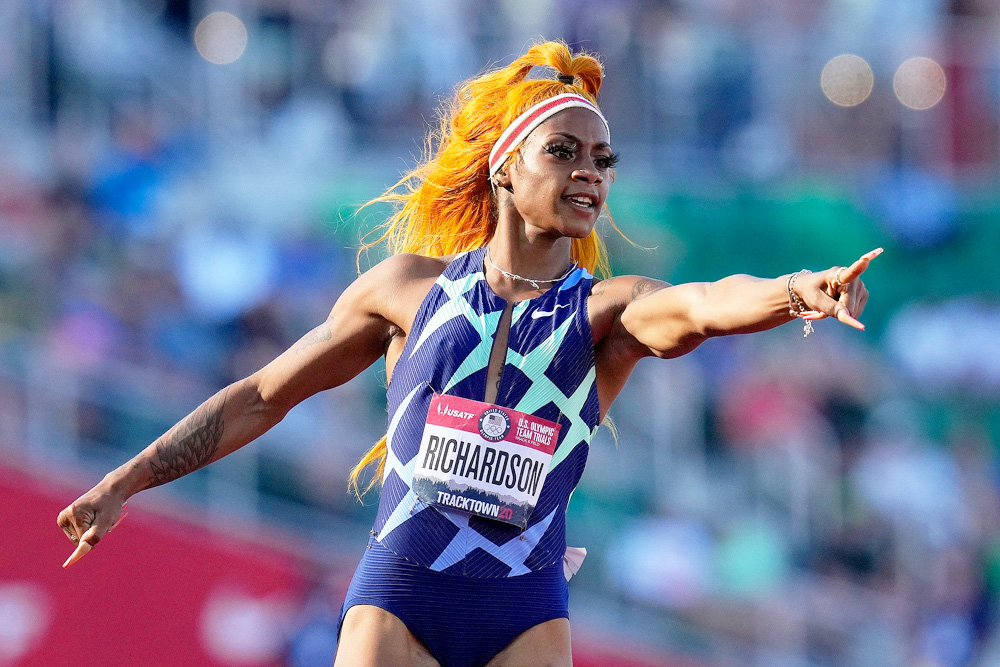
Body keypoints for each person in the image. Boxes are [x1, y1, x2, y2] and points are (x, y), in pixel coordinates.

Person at [57, 41, 879, 667]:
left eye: (602, 160)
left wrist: (798, 289)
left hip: (522, 608)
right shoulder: (405, 290)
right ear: (502, 168)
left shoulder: (607, 311)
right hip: (399, 593)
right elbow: (265, 393)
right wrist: (127, 478)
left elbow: (701, 306)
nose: (590, 174)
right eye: (563, 152)